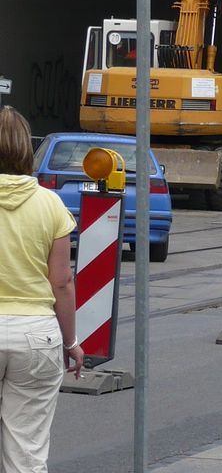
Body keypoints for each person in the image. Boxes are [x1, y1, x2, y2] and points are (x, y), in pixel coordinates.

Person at [0, 106, 84, 473]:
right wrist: (71, 342)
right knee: (26, 451)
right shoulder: (51, 204)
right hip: (35, 335)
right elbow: (62, 282)